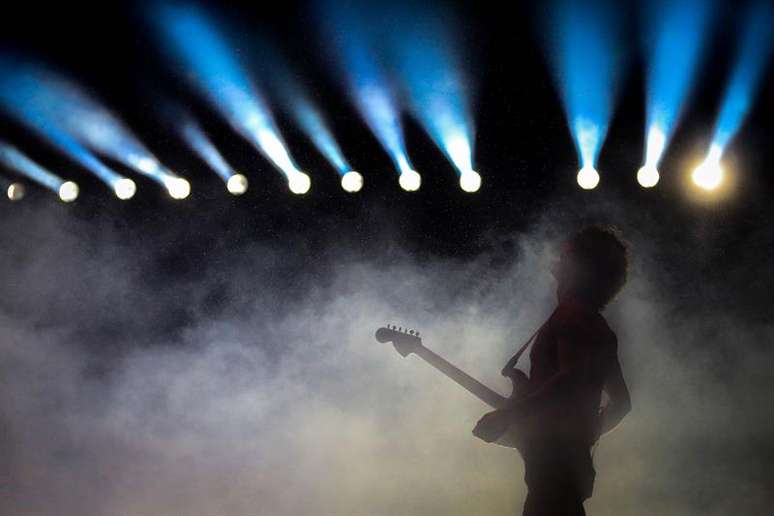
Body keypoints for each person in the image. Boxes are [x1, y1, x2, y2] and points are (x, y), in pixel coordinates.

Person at [473, 225, 632, 516]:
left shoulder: (572, 315)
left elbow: (569, 380)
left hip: (553, 473)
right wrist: (587, 434)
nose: (557, 261)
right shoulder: (596, 325)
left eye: (565, 255)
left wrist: (510, 413)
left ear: (579, 266)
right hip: (562, 471)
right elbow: (622, 402)